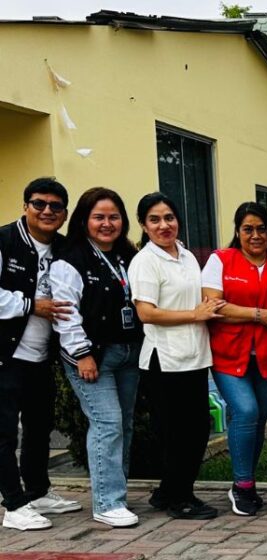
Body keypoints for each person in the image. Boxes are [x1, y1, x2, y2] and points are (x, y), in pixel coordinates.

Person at [50, 188, 144, 528]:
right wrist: (82, 355)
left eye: (114, 216)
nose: (107, 223)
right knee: (107, 424)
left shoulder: (127, 256)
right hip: (92, 357)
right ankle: (107, 503)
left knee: (125, 425)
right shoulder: (70, 259)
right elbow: (66, 314)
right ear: (84, 220)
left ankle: (116, 493)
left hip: (128, 352)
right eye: (99, 217)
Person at [127, 192, 224, 520]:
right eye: (154, 219)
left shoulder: (185, 255)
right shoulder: (145, 261)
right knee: (178, 433)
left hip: (194, 356)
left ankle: (168, 491)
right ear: (143, 225)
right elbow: (146, 313)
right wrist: (194, 315)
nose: (163, 225)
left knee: (195, 429)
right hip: (164, 360)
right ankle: (180, 498)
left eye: (169, 217)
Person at [0, 178, 81, 531]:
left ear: (64, 214)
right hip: (6, 354)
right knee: (4, 433)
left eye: (56, 206)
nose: (47, 211)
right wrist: (33, 305)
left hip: (42, 355)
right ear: (25, 206)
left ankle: (37, 491)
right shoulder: (4, 240)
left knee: (39, 427)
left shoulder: (65, 247)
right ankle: (14, 506)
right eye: (39, 204)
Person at [202, 203, 267, 516]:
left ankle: (245, 483)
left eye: (261, 228)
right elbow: (213, 305)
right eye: (247, 229)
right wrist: (257, 315)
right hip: (229, 356)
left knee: (259, 420)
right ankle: (243, 485)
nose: (255, 235)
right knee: (246, 410)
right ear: (237, 232)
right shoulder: (220, 260)